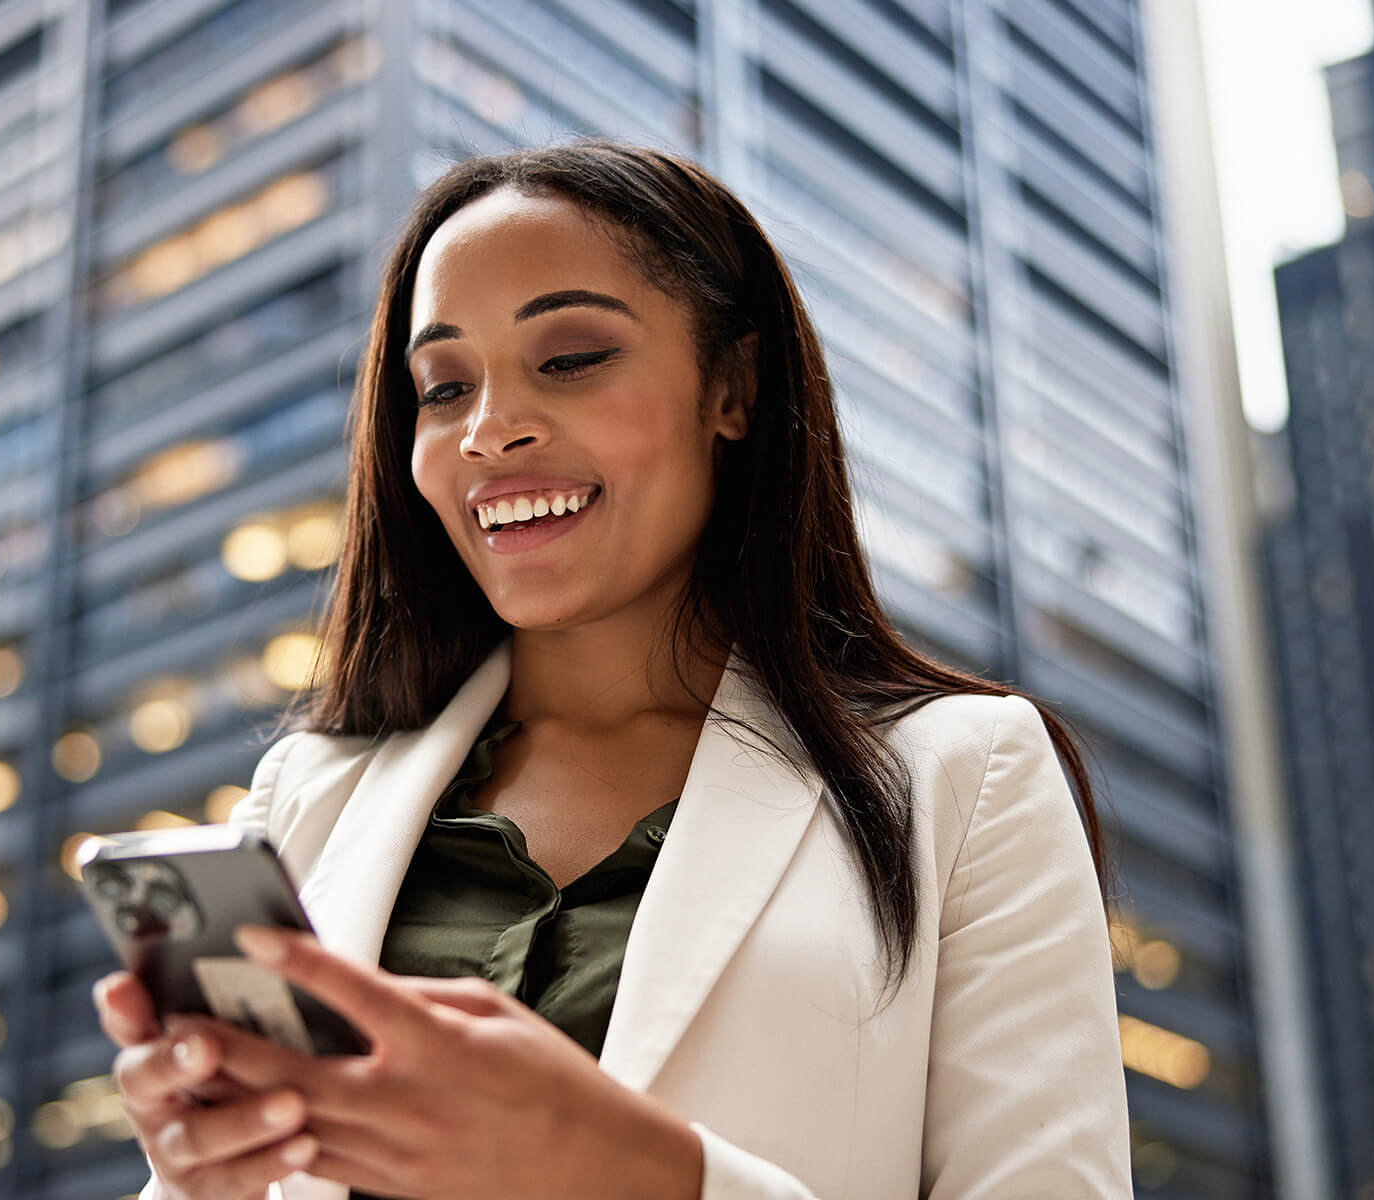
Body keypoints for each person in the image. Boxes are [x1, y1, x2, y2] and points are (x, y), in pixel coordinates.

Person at [92, 136, 1132, 1200]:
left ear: (732, 389)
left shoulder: (969, 776)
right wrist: (196, 1181)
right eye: (443, 386)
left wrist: (636, 1172)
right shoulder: (310, 798)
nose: (491, 431)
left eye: (573, 359)